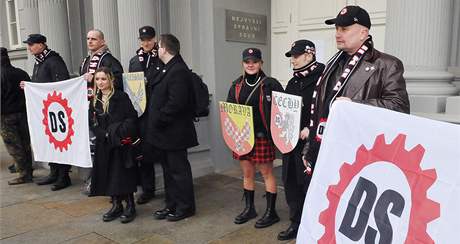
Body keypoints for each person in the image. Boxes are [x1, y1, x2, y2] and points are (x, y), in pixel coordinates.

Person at [302, 5, 410, 177]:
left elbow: (399, 107)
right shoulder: (332, 64)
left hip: (360, 157)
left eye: (344, 29)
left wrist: (355, 106)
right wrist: (310, 147)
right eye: (337, 28)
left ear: (363, 33)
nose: (338, 33)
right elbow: (321, 111)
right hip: (326, 151)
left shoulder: (387, 64)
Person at [226, 48, 284, 228]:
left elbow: (281, 111)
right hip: (242, 137)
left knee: (267, 173)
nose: (250, 65)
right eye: (247, 61)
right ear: (242, 63)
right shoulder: (236, 85)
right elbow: (229, 110)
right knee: (247, 173)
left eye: (255, 61)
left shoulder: (270, 84)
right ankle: (249, 208)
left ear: (261, 63)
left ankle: (271, 212)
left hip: (262, 138)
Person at [277, 40, 325, 240]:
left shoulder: (323, 78)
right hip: (290, 142)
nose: (293, 61)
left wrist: (310, 128)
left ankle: (312, 224)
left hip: (310, 144)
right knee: (290, 182)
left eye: (296, 56)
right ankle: (295, 223)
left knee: (309, 185)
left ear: (309, 55)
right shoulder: (293, 81)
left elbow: (326, 108)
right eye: (292, 57)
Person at [148, 34, 197, 222]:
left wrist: (159, 119)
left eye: (158, 46)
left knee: (179, 171)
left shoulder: (178, 70)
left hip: (175, 132)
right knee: (169, 172)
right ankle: (171, 204)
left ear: (165, 49)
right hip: (165, 133)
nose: (156, 50)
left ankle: (185, 207)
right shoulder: (166, 68)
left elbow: (176, 103)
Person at [20, 34, 72, 191]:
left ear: (41, 45)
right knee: (50, 141)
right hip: (45, 109)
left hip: (55, 109)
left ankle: (64, 176)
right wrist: (29, 86)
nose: (29, 47)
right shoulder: (40, 61)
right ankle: (54, 171)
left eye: (31, 44)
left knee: (59, 141)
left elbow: (61, 84)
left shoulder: (53, 61)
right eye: (28, 44)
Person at [89, 67, 139, 223]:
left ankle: (130, 205)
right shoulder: (95, 100)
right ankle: (116, 205)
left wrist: (116, 132)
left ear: (111, 80)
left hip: (120, 143)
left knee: (123, 174)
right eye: (97, 79)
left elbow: (131, 118)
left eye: (103, 79)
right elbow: (93, 122)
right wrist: (103, 134)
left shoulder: (121, 97)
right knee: (109, 174)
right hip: (104, 145)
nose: (100, 82)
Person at [79, 29, 124, 194]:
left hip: (105, 112)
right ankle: (95, 181)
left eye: (94, 39)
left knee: (104, 147)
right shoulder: (85, 61)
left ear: (102, 41)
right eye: (88, 38)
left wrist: (98, 81)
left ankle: (107, 182)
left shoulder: (110, 60)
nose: (90, 41)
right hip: (89, 109)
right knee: (92, 148)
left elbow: (119, 81)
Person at [128, 26, 162, 205]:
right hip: (140, 113)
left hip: (158, 112)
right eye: (143, 39)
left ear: (154, 39)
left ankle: (171, 189)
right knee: (144, 154)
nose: (146, 42)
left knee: (163, 151)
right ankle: (148, 189)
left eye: (149, 39)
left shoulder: (162, 57)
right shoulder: (134, 61)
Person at [1, 47, 33, 185]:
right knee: (25, 143)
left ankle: (24, 173)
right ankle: (28, 170)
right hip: (23, 113)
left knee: (14, 145)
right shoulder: (21, 73)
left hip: (6, 116)